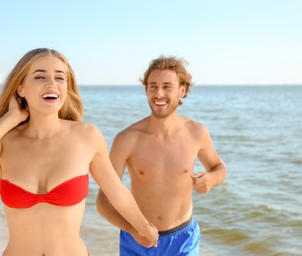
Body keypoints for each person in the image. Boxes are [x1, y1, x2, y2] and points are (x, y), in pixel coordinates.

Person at [0, 48, 158, 256]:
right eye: (40, 76)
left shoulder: (87, 136)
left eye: (60, 77)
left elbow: (118, 193)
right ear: (21, 88)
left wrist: (143, 227)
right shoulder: (6, 140)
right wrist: (11, 119)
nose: (52, 84)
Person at [96, 56, 227, 255]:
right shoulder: (126, 139)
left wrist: (211, 178)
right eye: (153, 86)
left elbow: (220, 168)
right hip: (137, 239)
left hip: (183, 238)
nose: (159, 93)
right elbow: (103, 201)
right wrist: (133, 229)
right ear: (146, 90)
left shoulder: (196, 132)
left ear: (182, 91)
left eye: (167, 86)